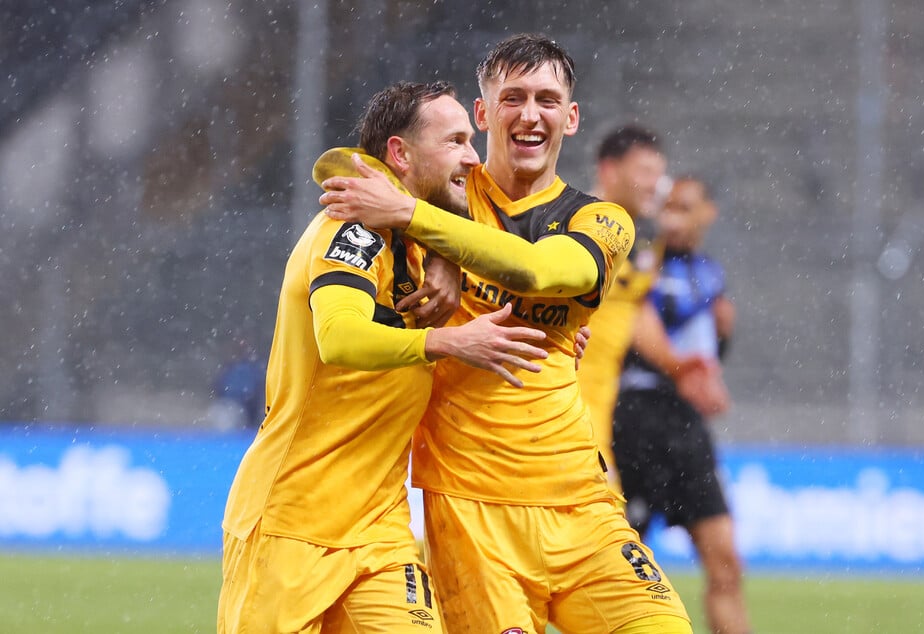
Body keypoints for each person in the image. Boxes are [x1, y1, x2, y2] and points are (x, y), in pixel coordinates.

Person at [320, 34, 692, 634]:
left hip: (582, 502)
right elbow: (346, 167)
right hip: (471, 512)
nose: (529, 114)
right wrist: (434, 228)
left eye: (547, 100)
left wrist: (426, 228)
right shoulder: (438, 191)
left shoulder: (601, 220)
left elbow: (540, 271)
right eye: (512, 97)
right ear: (483, 113)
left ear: (570, 119)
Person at [216, 80, 552, 634]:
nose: (472, 156)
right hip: (293, 521)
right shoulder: (352, 230)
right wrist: (445, 341)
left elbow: (491, 229)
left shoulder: (419, 242)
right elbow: (340, 338)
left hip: (380, 527)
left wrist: (550, 325)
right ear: (399, 153)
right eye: (454, 142)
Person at [613, 177, 751, 634]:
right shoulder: (640, 259)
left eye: (684, 207)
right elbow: (634, 325)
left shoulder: (711, 273)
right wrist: (686, 371)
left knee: (726, 562)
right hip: (633, 419)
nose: (671, 217)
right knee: (615, 570)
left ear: (707, 213)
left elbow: (706, 346)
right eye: (666, 207)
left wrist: (721, 344)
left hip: (685, 427)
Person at [578, 124, 729, 494]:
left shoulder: (643, 240)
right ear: (609, 171)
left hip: (598, 413)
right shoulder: (573, 225)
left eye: (659, 173)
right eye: (645, 172)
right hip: (556, 405)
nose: (656, 184)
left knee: (602, 523)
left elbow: (633, 313)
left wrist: (679, 366)